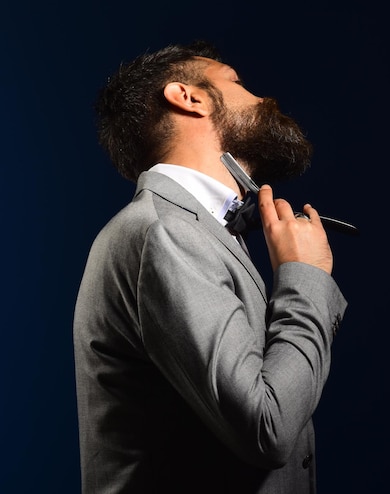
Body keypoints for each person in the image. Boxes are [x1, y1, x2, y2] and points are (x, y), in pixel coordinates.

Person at [73, 40, 347, 493]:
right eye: (236, 81)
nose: (261, 98)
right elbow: (268, 426)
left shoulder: (193, 229)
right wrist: (305, 276)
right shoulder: (165, 231)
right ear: (189, 97)